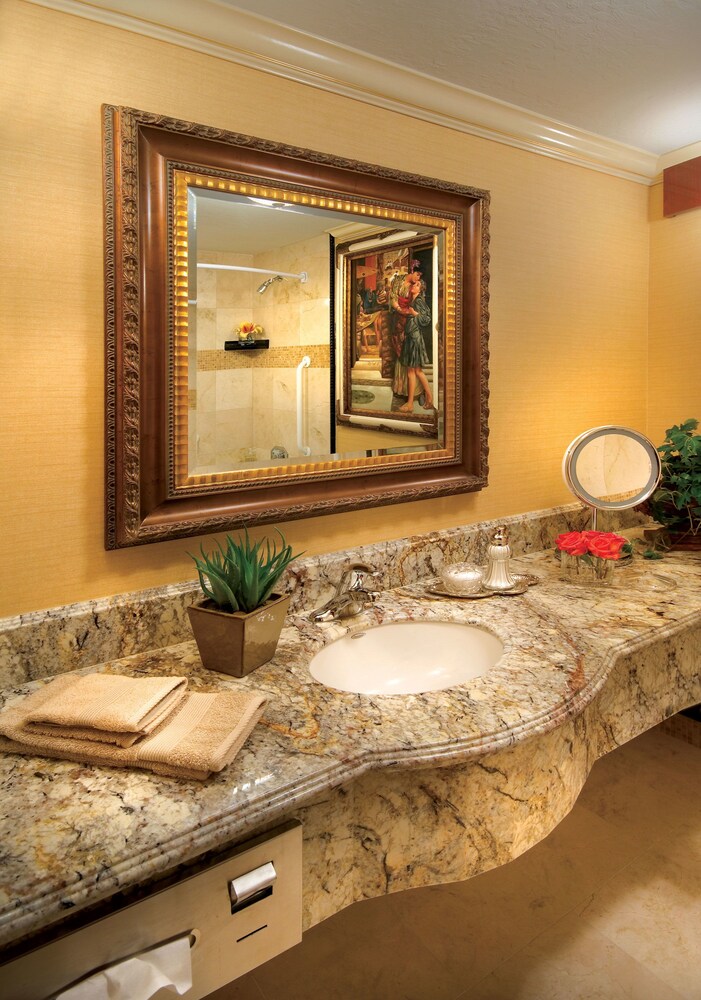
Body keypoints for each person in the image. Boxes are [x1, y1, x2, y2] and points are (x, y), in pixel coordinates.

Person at [390, 261, 433, 412]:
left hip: (414, 338)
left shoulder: (418, 300)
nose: (413, 286)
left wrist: (415, 314)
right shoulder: (413, 299)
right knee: (416, 371)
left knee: (412, 372)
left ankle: (411, 404)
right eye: (416, 278)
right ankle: (428, 398)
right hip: (411, 336)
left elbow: (426, 318)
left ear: (420, 290)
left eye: (417, 285)